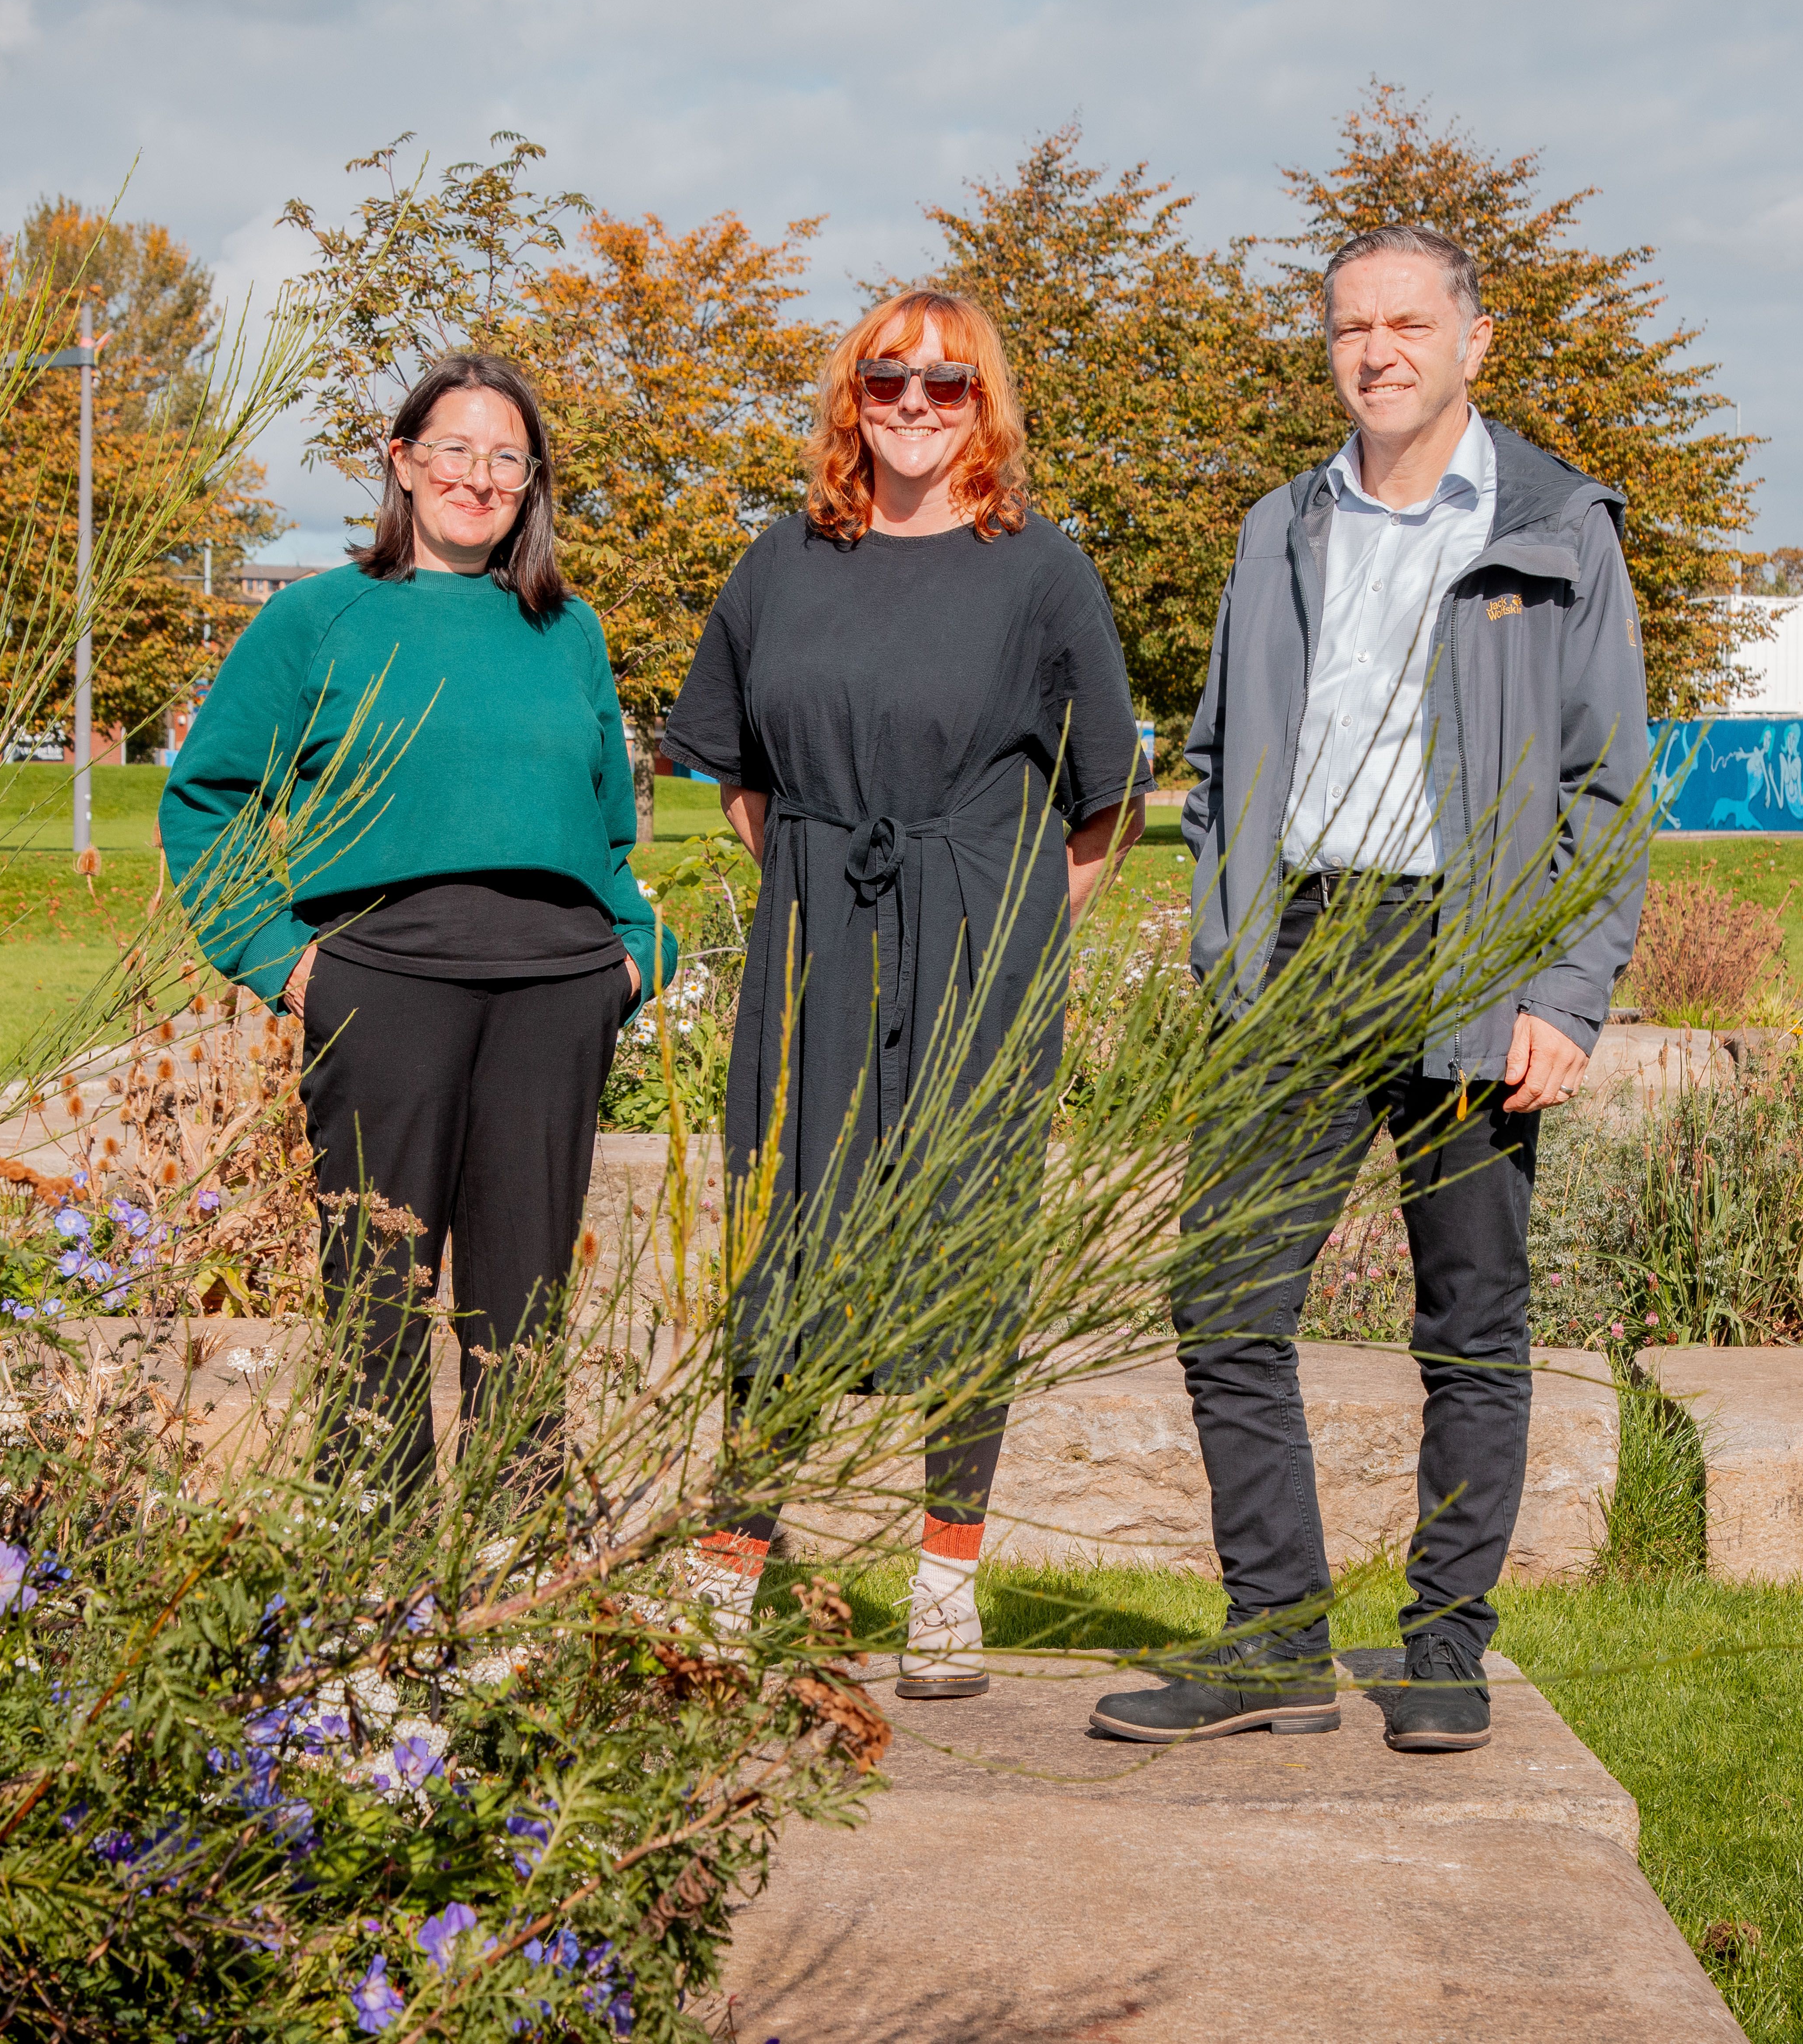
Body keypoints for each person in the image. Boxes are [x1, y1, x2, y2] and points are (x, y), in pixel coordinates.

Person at [1091, 224, 1647, 1752]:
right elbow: (1214, 766)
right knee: (1223, 1304)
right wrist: (1229, 941)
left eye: (1409, 323)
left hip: (1474, 953)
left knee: (1471, 1320)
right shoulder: (1283, 527)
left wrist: (1569, 990)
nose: (1378, 350)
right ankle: (1276, 1640)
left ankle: (1446, 1648)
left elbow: (1610, 791)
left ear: (1476, 340)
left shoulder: (1556, 529)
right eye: (1351, 327)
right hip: (1298, 954)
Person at [660, 288, 1146, 1697]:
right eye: (889, 382)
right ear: (852, 397)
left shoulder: (1042, 571)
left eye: (947, 384)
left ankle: (946, 1580)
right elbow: (742, 776)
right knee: (785, 1239)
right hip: (819, 950)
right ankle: (733, 1563)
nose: (918, 407)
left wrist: (1003, 929)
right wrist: (822, 886)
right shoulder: (783, 562)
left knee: (966, 1247)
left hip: (976, 956)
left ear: (985, 401)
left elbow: (1108, 798)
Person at [159, 353, 670, 1498]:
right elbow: (210, 798)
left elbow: (610, 831)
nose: (478, 478)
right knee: (378, 1302)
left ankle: (513, 1580)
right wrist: (283, 961)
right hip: (384, 989)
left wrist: (634, 957)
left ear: (531, 483)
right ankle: (375, 1608)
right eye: (454, 450)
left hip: (557, 990)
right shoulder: (316, 620)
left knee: (524, 1312)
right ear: (401, 461)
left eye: (506, 458)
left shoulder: (567, 629)